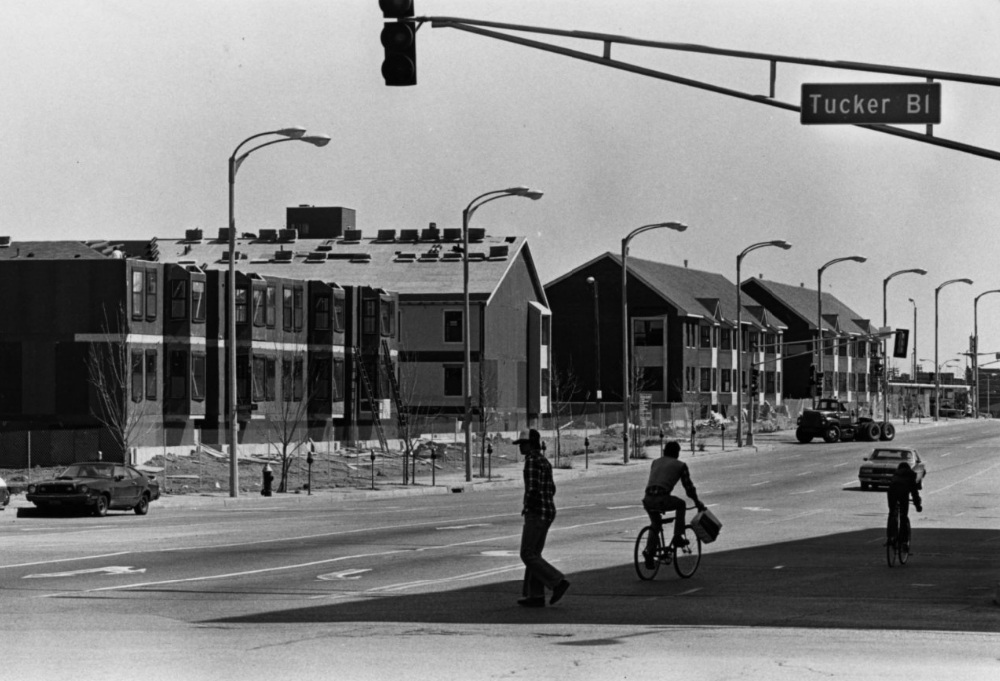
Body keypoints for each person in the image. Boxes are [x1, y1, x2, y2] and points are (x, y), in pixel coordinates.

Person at [515, 428, 570, 608]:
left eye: (522, 444)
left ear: (531, 444)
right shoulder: (544, 460)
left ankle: (557, 581)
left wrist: (528, 506)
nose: (520, 448)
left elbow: (532, 487)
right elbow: (552, 488)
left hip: (537, 511)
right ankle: (536, 595)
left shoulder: (531, 461)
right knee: (534, 554)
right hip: (548, 510)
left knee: (527, 553)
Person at [642, 440, 706, 569]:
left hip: (647, 499)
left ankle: (650, 552)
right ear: (677, 453)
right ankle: (678, 535)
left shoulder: (656, 462)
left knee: (655, 524)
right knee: (681, 504)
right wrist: (697, 502)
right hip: (662, 498)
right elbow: (689, 488)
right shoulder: (680, 465)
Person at [886, 461, 922, 548]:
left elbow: (890, 485)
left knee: (892, 513)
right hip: (903, 493)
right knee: (903, 516)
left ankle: (890, 537)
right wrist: (917, 505)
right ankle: (904, 541)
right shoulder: (911, 474)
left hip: (892, 493)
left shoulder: (895, 474)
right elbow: (914, 492)